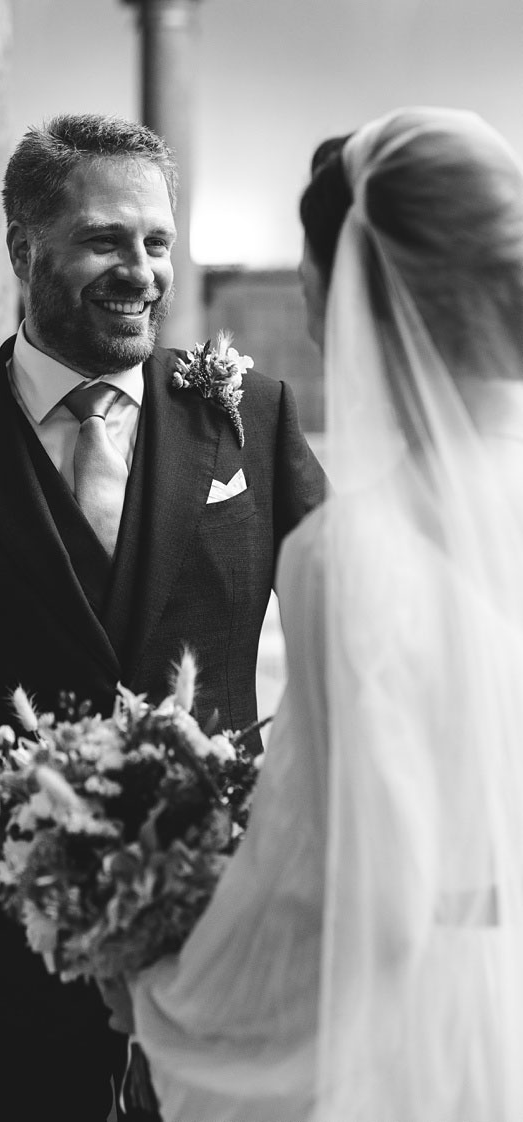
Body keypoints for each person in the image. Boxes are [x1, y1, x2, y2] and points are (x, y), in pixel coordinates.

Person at [0, 112, 326, 1120]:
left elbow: (357, 637)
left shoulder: (255, 417)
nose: (143, 271)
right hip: (21, 942)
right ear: (24, 247)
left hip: (235, 923)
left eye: (157, 241)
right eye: (108, 240)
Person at [126, 107, 523, 1121]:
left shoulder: (353, 559)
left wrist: (168, 985)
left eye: (313, 283)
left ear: (355, 298)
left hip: (412, 1041)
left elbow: (369, 904)